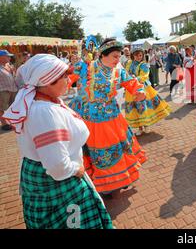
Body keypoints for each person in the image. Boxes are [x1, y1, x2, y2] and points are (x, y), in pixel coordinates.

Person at [2, 54, 113, 229]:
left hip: (48, 179)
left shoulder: (44, 103)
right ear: (48, 81)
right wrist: (77, 168)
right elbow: (57, 167)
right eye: (64, 76)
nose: (69, 80)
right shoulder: (45, 112)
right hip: (59, 181)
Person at [68, 38, 148, 196]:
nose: (118, 60)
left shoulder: (118, 70)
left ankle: (116, 181)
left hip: (111, 117)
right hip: (88, 117)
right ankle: (102, 183)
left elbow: (131, 82)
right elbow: (66, 78)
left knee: (115, 149)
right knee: (94, 151)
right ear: (103, 55)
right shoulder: (86, 66)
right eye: (115, 56)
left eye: (119, 56)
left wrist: (139, 91)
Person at [124, 47, 171, 136]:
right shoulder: (128, 63)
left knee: (142, 107)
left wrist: (135, 78)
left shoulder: (144, 65)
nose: (139, 57)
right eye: (136, 55)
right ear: (133, 55)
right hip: (131, 89)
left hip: (141, 88)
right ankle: (140, 128)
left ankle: (146, 126)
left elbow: (144, 76)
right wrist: (128, 78)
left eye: (140, 55)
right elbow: (125, 73)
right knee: (135, 109)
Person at [0, 50, 17, 131]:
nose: (9, 57)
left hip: (13, 89)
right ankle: (4, 124)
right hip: (3, 90)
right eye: (7, 56)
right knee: (2, 108)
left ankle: (11, 121)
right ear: (1, 57)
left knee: (12, 106)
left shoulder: (9, 65)